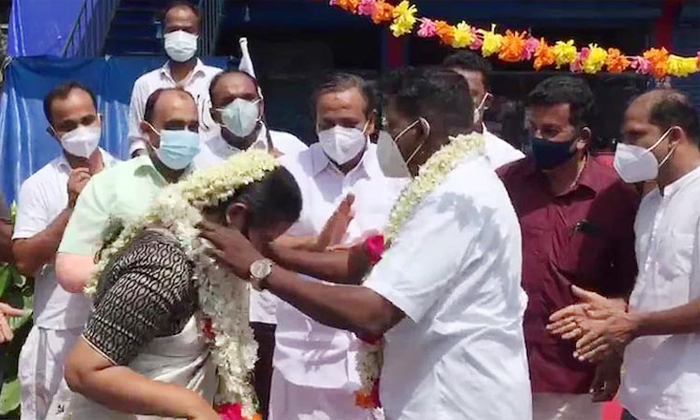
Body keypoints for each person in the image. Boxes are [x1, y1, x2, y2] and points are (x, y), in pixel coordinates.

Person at [199, 66, 532, 420]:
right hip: (418, 387)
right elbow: (360, 266)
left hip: (455, 398)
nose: (384, 138)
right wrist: (267, 251)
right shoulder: (451, 183)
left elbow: (373, 313)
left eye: (390, 126)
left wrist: (259, 269)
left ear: (420, 131)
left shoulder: (455, 198)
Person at [44, 152, 302, 420]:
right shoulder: (165, 265)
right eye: (266, 240)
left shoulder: (214, 261)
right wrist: (191, 406)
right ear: (236, 215)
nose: (261, 254)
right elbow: (83, 371)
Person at [548, 89, 700, 420]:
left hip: (688, 400)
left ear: (674, 136)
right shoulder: (650, 202)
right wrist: (616, 324)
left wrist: (631, 323)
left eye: (636, 135)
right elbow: (654, 290)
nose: (625, 148)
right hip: (641, 396)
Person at [496, 75, 640, 420]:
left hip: (572, 374)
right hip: (501, 367)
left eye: (550, 131)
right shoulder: (503, 184)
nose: (537, 139)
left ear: (582, 138)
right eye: (532, 128)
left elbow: (632, 283)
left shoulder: (615, 197)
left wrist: (613, 351)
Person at [267, 73, 406, 420]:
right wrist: (315, 245)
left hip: (381, 350)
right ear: (313, 123)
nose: (337, 133)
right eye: (327, 123)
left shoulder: (398, 167)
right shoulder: (288, 172)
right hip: (305, 352)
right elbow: (257, 240)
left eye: (348, 123)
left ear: (371, 123)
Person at [10, 82, 118, 420]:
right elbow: (25, 260)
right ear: (52, 132)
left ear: (101, 119)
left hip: (119, 327)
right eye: (68, 126)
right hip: (59, 334)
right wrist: (72, 208)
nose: (81, 131)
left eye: (87, 120)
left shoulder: (128, 175)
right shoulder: (39, 186)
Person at [55, 87, 200, 294]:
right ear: (147, 131)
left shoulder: (214, 186)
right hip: (124, 318)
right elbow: (70, 271)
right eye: (174, 126)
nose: (185, 135)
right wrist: (140, 274)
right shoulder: (108, 184)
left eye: (192, 127)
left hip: (201, 323)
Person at [127, 0, 222, 157]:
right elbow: (137, 139)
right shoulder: (145, 84)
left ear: (198, 34)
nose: (180, 35)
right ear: (163, 33)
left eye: (187, 30)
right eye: (173, 29)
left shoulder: (217, 80)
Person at [194, 69, 307, 169]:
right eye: (228, 101)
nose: (239, 107)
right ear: (213, 114)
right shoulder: (201, 156)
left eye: (247, 98)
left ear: (261, 105)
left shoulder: (291, 147)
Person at [443, 51, 525, 168]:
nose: (459, 99)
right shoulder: (416, 151)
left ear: (487, 101)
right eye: (452, 90)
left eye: (470, 94)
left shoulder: (509, 160)